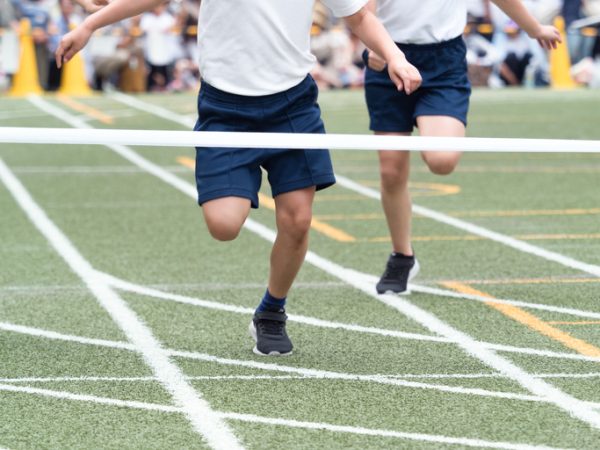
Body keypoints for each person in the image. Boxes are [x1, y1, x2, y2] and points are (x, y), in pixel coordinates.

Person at [57, 0, 422, 356]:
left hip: (292, 104)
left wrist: (395, 57)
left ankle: (271, 311)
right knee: (223, 225)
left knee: (298, 219)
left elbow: (359, 16)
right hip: (224, 106)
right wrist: (90, 25)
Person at [363, 0, 560, 295]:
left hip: (443, 60)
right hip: (389, 58)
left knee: (442, 160)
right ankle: (402, 256)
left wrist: (534, 28)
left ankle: (426, 116)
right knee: (391, 170)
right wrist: (374, 48)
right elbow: (360, 10)